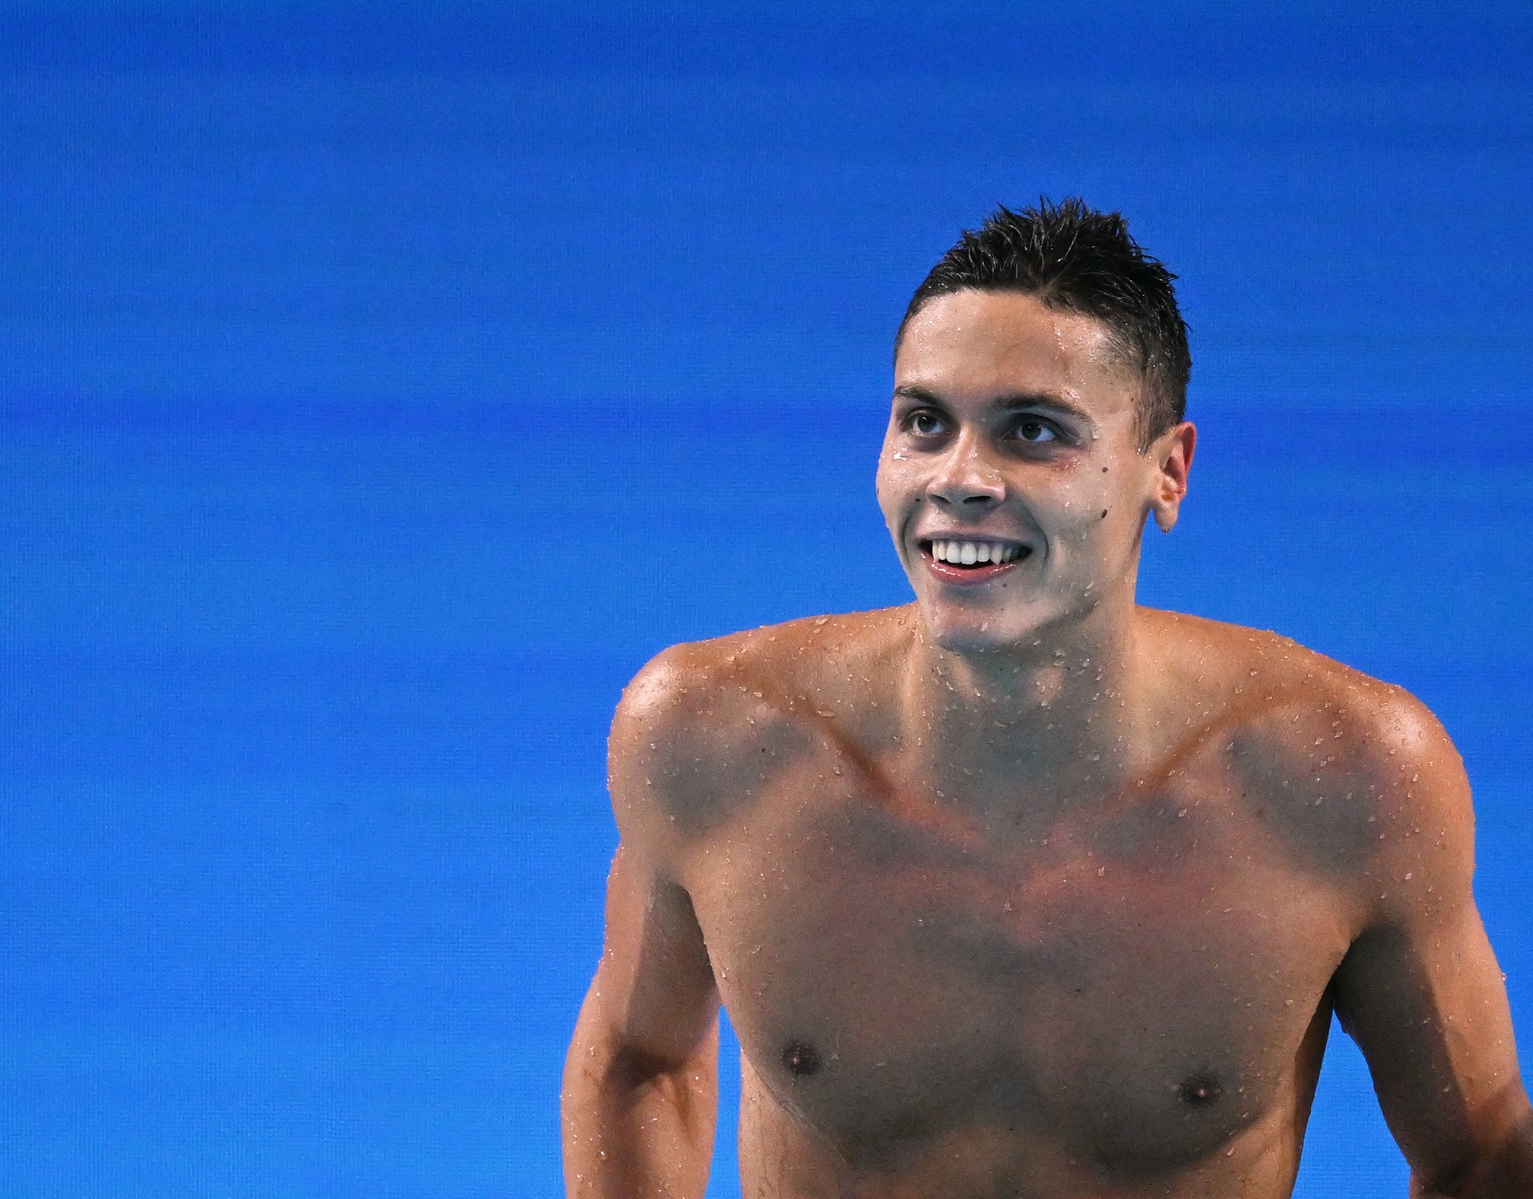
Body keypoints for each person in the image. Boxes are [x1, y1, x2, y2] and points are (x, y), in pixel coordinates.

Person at [559, 198, 1533, 1198]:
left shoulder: (1352, 780)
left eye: (1032, 430)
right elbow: (641, 1058)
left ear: (1169, 471)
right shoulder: (709, 737)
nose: (960, 478)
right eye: (923, 422)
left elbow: (1482, 1151)